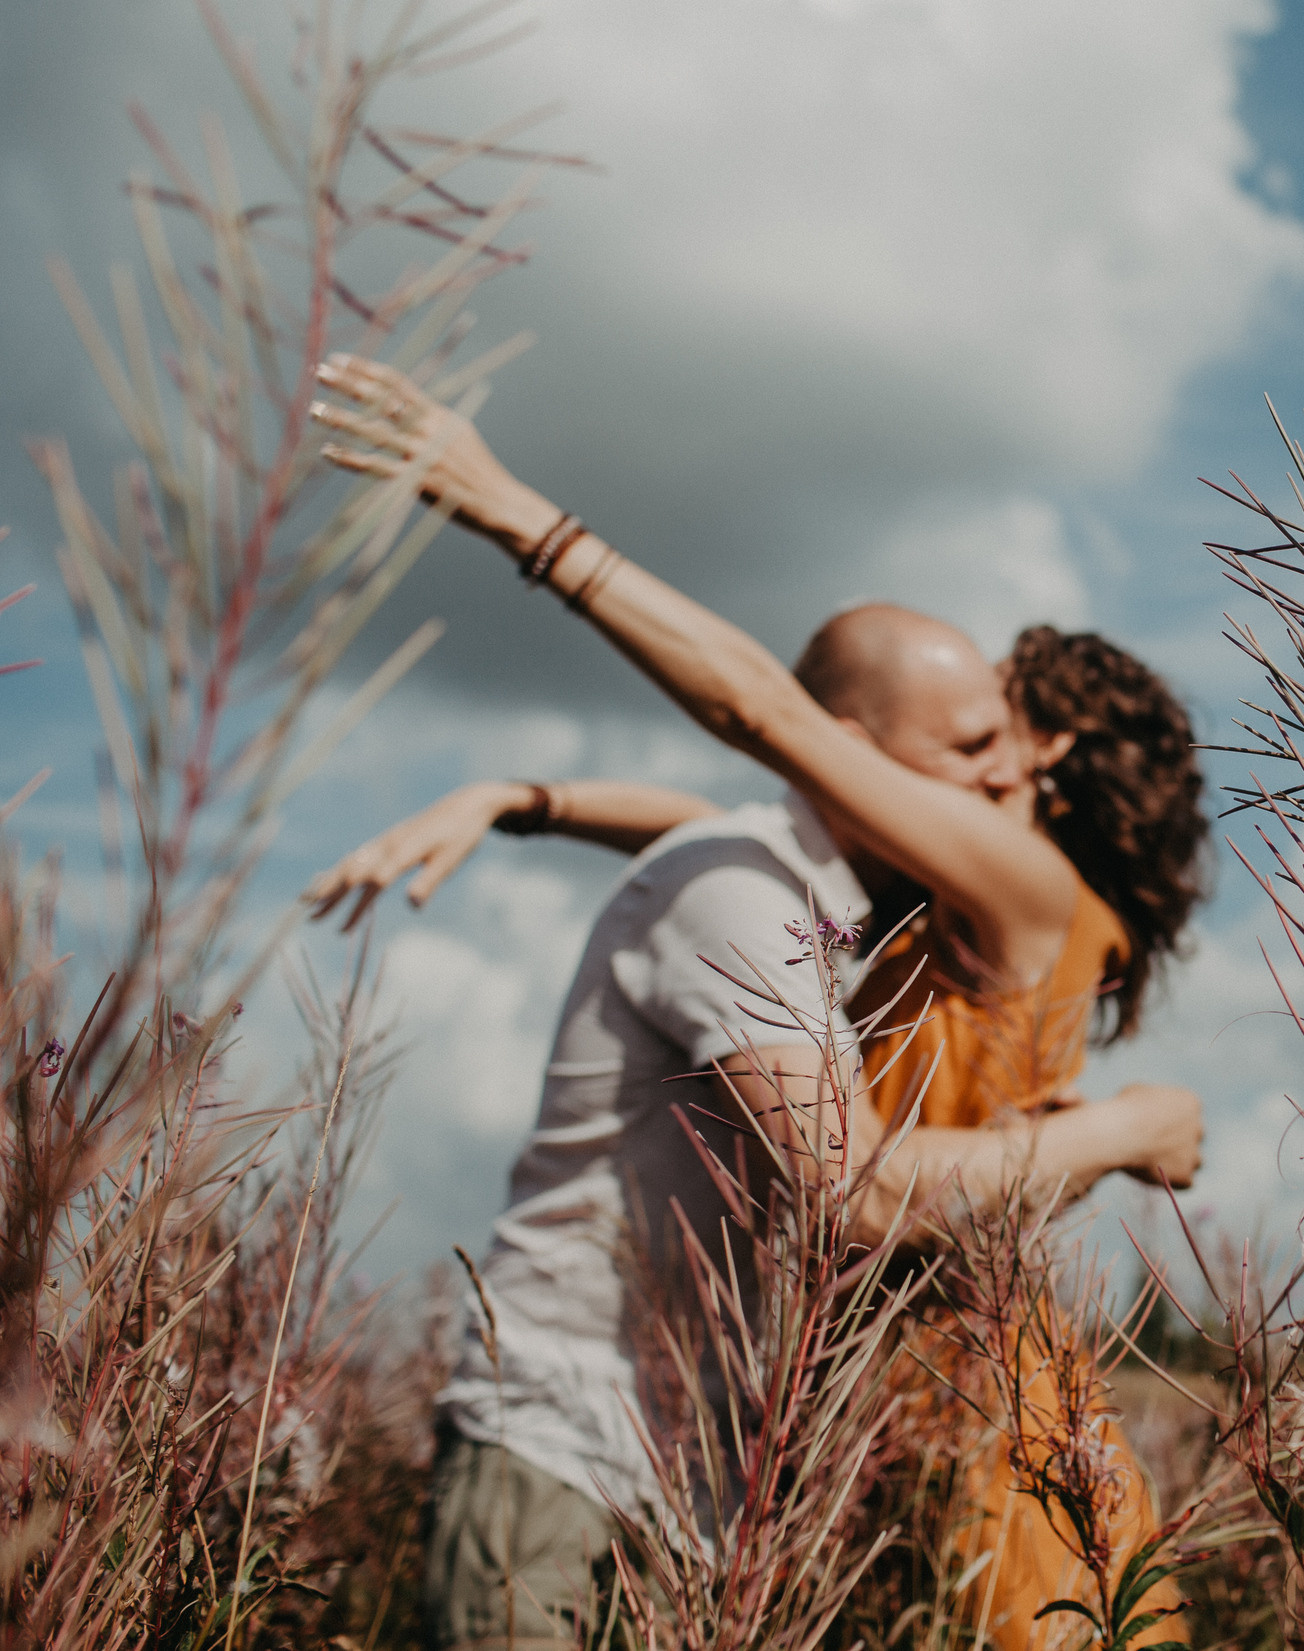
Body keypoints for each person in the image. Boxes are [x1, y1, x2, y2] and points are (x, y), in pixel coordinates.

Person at [311, 354, 1209, 1651]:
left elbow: (767, 723)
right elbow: (733, 844)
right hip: (831, 1410)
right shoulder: (912, 911)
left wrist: (520, 515)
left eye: (1005, 734)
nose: (991, 758)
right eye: (970, 737)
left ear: (1052, 766)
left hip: (931, 1391)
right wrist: (526, 801)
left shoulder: (1022, 884)